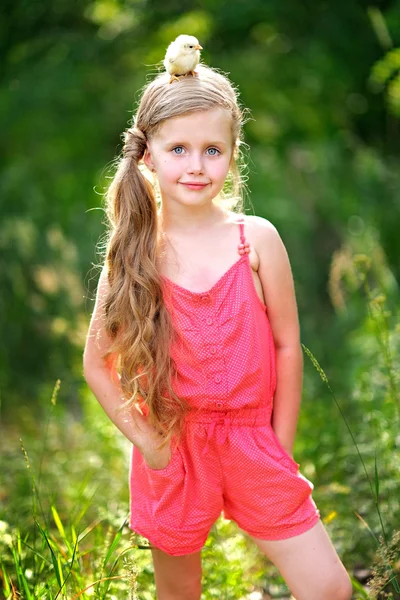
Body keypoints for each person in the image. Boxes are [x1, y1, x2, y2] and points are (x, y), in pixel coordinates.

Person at [83, 54, 353, 600]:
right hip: (174, 443)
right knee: (179, 592)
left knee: (330, 589)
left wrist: (281, 442)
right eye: (178, 149)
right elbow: (96, 363)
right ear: (149, 156)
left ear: (233, 155)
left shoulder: (255, 239)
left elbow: (285, 346)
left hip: (254, 440)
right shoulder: (135, 253)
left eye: (213, 149)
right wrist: (148, 442)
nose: (196, 165)